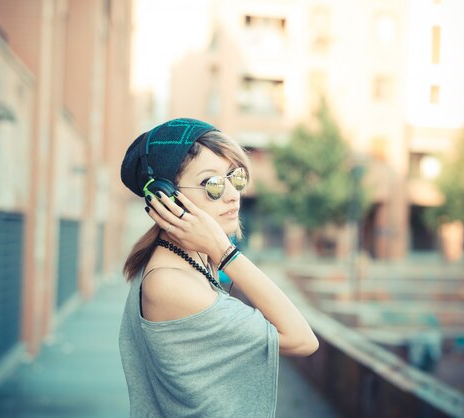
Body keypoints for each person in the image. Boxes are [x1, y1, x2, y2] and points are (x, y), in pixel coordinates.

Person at [118, 118, 319, 417]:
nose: (232, 194)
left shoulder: (192, 261)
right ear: (165, 198)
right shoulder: (171, 283)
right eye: (211, 184)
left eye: (234, 177)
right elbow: (302, 339)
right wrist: (225, 252)